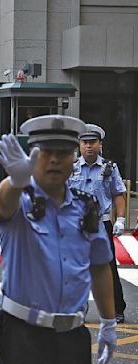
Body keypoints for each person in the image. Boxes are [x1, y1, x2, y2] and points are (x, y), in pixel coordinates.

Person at [0, 115, 117, 364]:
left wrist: (108, 321)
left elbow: (99, 266)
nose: (54, 160)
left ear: (74, 160)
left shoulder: (87, 207)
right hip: (22, 336)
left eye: (62, 153)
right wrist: (14, 181)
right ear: (33, 157)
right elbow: (4, 203)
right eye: (45, 152)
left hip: (72, 336)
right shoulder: (21, 201)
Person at [68, 124, 127, 323]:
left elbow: (118, 194)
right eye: (85, 143)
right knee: (76, 268)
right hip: (76, 225)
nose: (89, 147)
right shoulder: (71, 167)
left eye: (92, 142)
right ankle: (77, 308)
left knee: (108, 268)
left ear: (100, 144)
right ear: (79, 145)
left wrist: (120, 219)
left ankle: (116, 309)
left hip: (101, 224)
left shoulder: (109, 168)